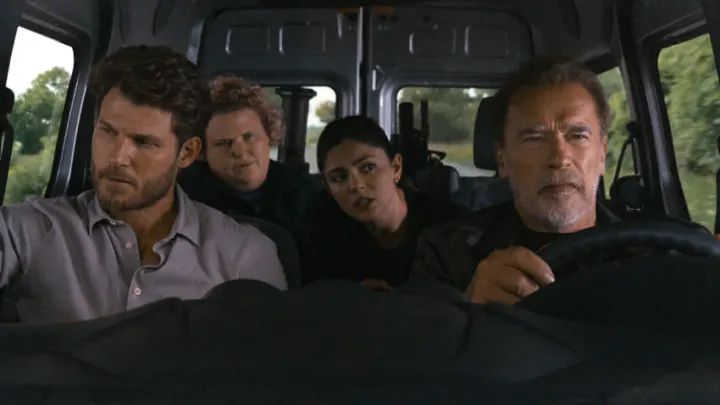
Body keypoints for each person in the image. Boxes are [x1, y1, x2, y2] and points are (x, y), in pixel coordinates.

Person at [0, 45, 286, 324]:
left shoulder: (244, 255)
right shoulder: (28, 230)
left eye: (143, 142)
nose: (117, 157)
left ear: (187, 153)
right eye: (107, 131)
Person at [412, 58, 620, 305]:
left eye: (578, 136)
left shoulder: (649, 250)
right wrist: (467, 312)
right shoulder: (448, 253)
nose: (559, 158)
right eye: (534, 139)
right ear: (502, 161)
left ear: (601, 154)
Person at [300, 116, 466, 290]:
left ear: (396, 168)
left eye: (368, 168)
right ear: (328, 188)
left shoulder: (447, 225)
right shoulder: (321, 231)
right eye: (339, 178)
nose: (356, 185)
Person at [179, 76, 318, 236]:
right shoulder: (184, 199)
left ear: (269, 135)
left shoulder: (305, 195)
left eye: (248, 137)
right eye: (224, 143)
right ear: (203, 152)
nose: (240, 151)